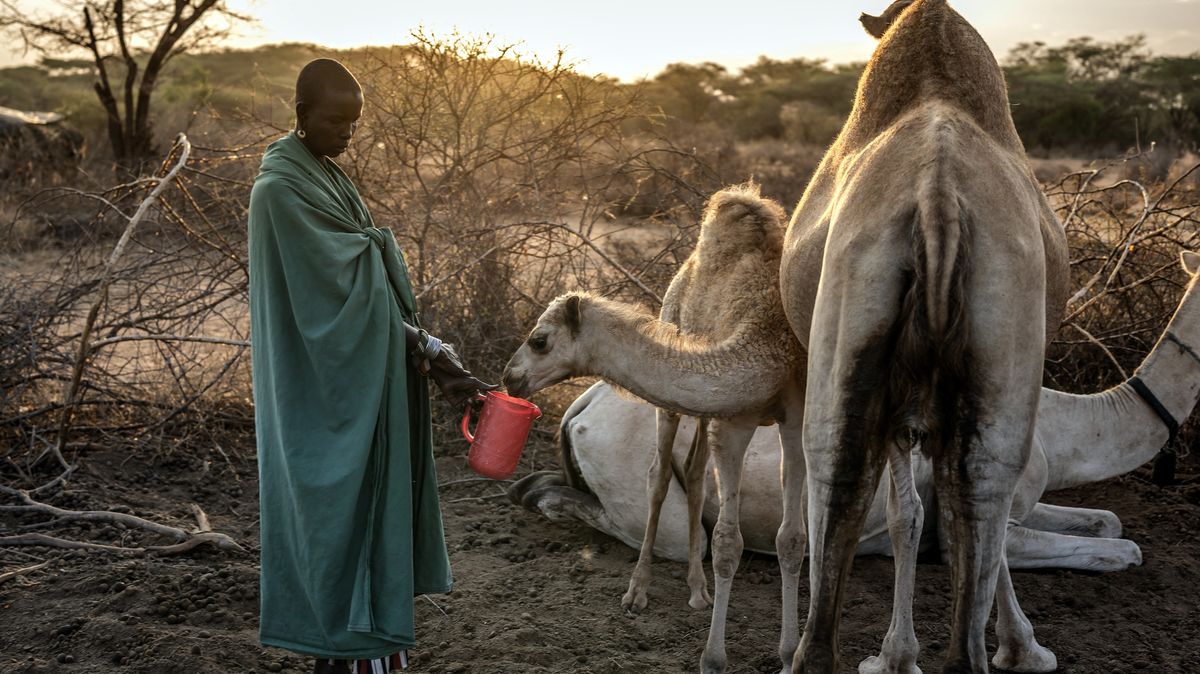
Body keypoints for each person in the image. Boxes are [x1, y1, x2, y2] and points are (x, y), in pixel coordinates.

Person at [247, 58, 494, 674]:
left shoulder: (326, 176)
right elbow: (335, 307)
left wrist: (429, 350)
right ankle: (352, 653)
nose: (347, 135)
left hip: (363, 379)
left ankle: (367, 653)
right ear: (302, 116)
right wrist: (429, 351)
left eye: (355, 124)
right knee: (336, 508)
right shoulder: (279, 191)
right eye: (336, 121)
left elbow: (365, 291)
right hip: (325, 391)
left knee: (368, 504)